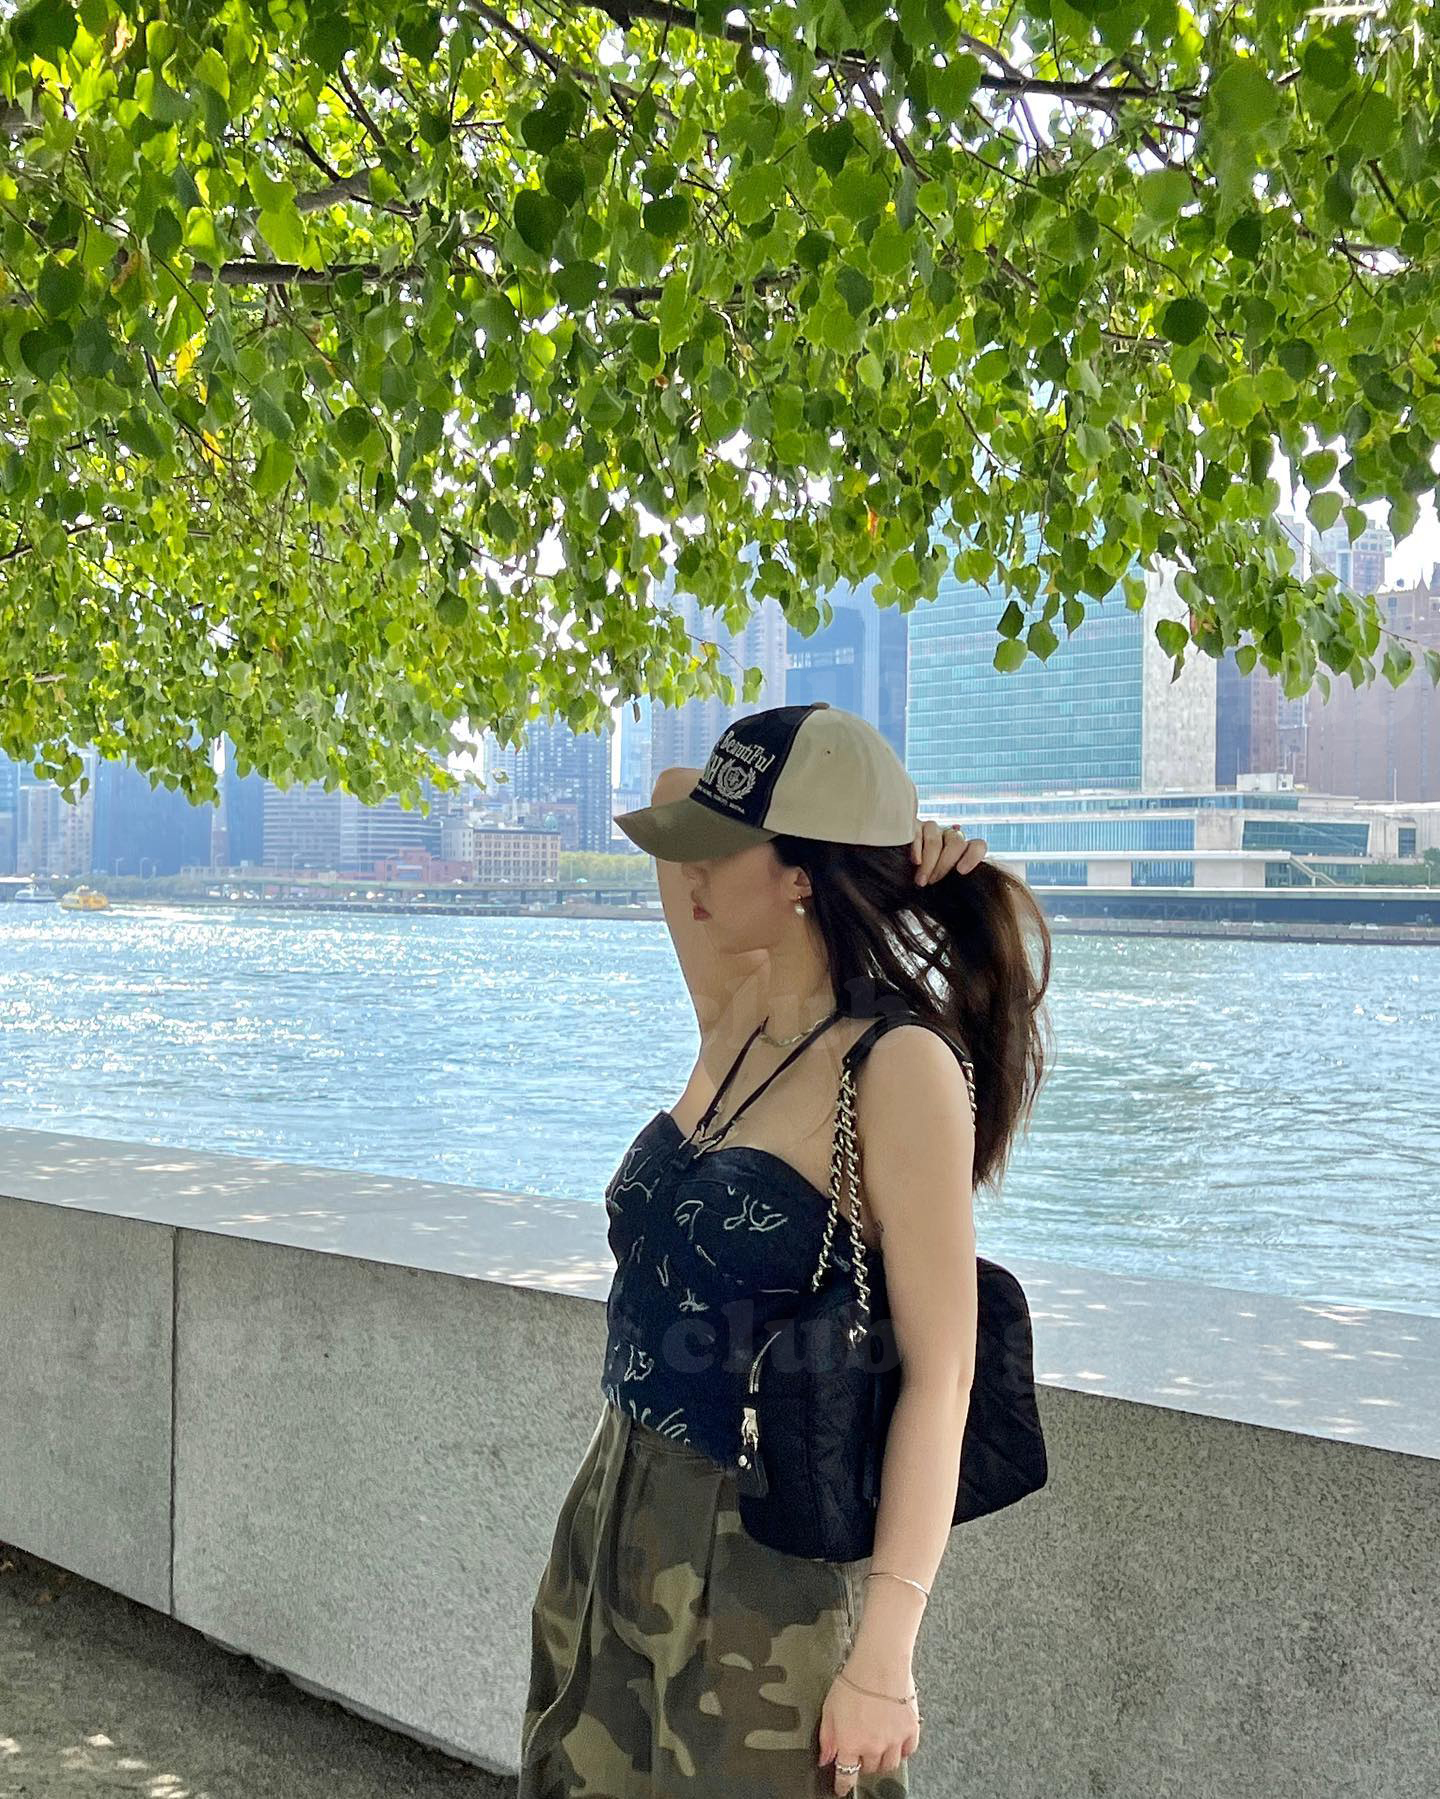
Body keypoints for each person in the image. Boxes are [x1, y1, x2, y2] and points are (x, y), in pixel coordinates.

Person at [519, 701, 1053, 1798]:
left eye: (722, 850)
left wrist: (886, 1656)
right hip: (615, 1500)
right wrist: (867, 838)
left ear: (802, 875)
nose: (691, 871)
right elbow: (673, 793)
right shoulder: (742, 1007)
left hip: (764, 1563)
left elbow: (943, 1374)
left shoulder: (899, 1066)